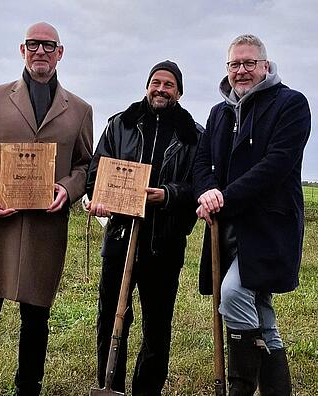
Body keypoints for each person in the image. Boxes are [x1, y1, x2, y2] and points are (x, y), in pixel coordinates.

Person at [0, 22, 93, 396]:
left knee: (36, 317)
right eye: (34, 45)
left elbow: (84, 165)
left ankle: (28, 388)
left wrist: (67, 189)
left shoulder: (79, 109)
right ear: (22, 50)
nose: (41, 52)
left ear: (60, 53)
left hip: (45, 228)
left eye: (49, 46)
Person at [193, 34, 311, 396]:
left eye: (248, 64)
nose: (241, 71)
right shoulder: (219, 112)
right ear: (227, 69)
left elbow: (274, 167)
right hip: (229, 229)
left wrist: (223, 198)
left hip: (269, 228)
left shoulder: (290, 105)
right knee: (261, 314)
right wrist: (207, 190)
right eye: (234, 65)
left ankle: (240, 389)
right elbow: (201, 161)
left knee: (232, 294)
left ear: (265, 65)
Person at [85, 60, 202, 395]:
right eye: (156, 82)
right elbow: (96, 175)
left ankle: (146, 389)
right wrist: (99, 197)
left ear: (179, 92)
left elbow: (197, 186)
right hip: (121, 237)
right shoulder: (120, 124)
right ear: (147, 85)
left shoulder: (192, 135)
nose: (161, 89)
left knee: (157, 325)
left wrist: (167, 195)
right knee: (111, 316)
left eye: (168, 84)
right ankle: (110, 384)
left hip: (164, 242)